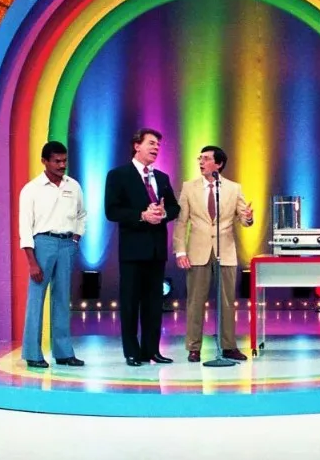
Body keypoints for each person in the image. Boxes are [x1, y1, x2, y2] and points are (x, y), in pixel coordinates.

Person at [105, 128, 181, 366]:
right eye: (151, 143)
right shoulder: (118, 175)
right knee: (130, 303)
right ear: (136, 145)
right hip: (132, 251)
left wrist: (163, 213)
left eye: (158, 144)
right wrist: (141, 215)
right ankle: (131, 352)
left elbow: (175, 208)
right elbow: (112, 211)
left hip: (156, 251)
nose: (156, 147)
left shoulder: (162, 178)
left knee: (154, 304)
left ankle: (152, 350)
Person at [173, 145, 254, 362]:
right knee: (195, 301)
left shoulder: (234, 188)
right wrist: (180, 251)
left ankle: (228, 346)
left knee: (227, 301)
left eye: (206, 158)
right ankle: (194, 347)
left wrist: (248, 217)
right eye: (200, 158)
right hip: (197, 251)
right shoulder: (189, 187)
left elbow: (244, 219)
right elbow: (181, 222)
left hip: (225, 250)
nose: (201, 162)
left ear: (218, 164)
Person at [19, 141, 86, 368]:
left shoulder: (73, 186)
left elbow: (82, 214)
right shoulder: (31, 189)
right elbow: (25, 227)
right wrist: (31, 262)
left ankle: (63, 352)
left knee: (62, 299)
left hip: (67, 244)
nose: (61, 165)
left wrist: (76, 238)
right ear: (44, 161)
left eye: (64, 160)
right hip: (42, 244)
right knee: (36, 299)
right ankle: (32, 354)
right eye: (57, 161)